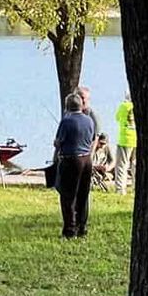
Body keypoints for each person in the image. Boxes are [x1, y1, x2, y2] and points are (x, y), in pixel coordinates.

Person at [54, 92, 95, 238]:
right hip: (87, 159)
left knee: (68, 195)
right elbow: (91, 139)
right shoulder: (89, 120)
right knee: (83, 194)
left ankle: (69, 229)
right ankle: (82, 226)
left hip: (71, 159)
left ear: (67, 107)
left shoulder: (67, 121)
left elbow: (58, 141)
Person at [114, 92, 136, 195]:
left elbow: (117, 117)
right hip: (136, 139)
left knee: (122, 165)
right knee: (135, 165)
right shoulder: (137, 105)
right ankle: (136, 188)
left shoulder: (123, 106)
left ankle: (120, 189)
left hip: (124, 139)